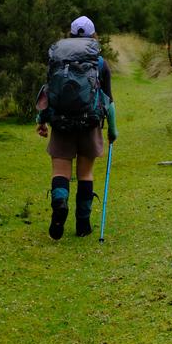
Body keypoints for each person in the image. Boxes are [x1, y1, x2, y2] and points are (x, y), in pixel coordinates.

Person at [35, 16, 118, 240]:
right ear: (93, 36)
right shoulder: (99, 62)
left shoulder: (58, 58)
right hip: (89, 124)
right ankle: (83, 224)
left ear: (71, 34)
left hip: (61, 124)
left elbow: (49, 91)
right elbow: (108, 100)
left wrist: (41, 119)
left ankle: (60, 203)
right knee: (85, 174)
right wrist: (112, 130)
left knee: (60, 172)